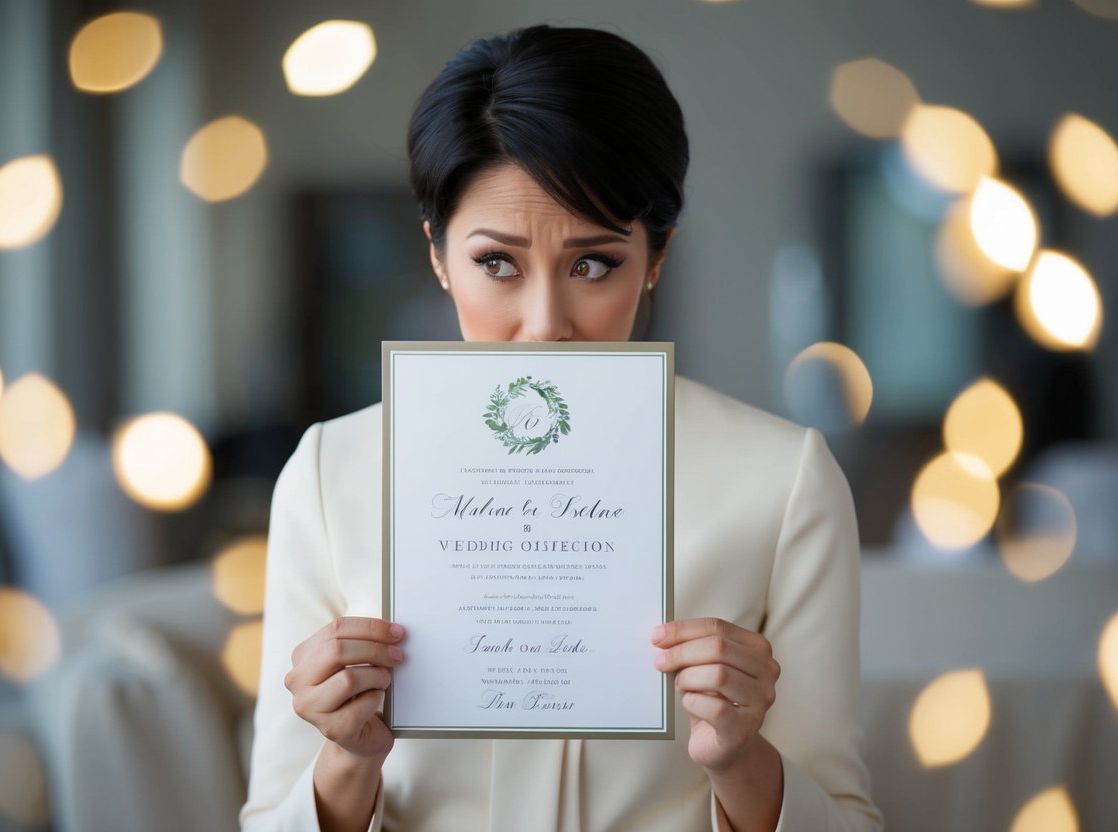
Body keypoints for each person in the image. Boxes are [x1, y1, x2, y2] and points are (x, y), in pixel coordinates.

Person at [241, 24, 883, 832]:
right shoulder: (331, 472)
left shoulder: (782, 478)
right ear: (438, 254)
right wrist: (347, 759)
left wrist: (739, 759)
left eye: (593, 264)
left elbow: (850, 822)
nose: (545, 324)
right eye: (497, 263)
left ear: (655, 258)